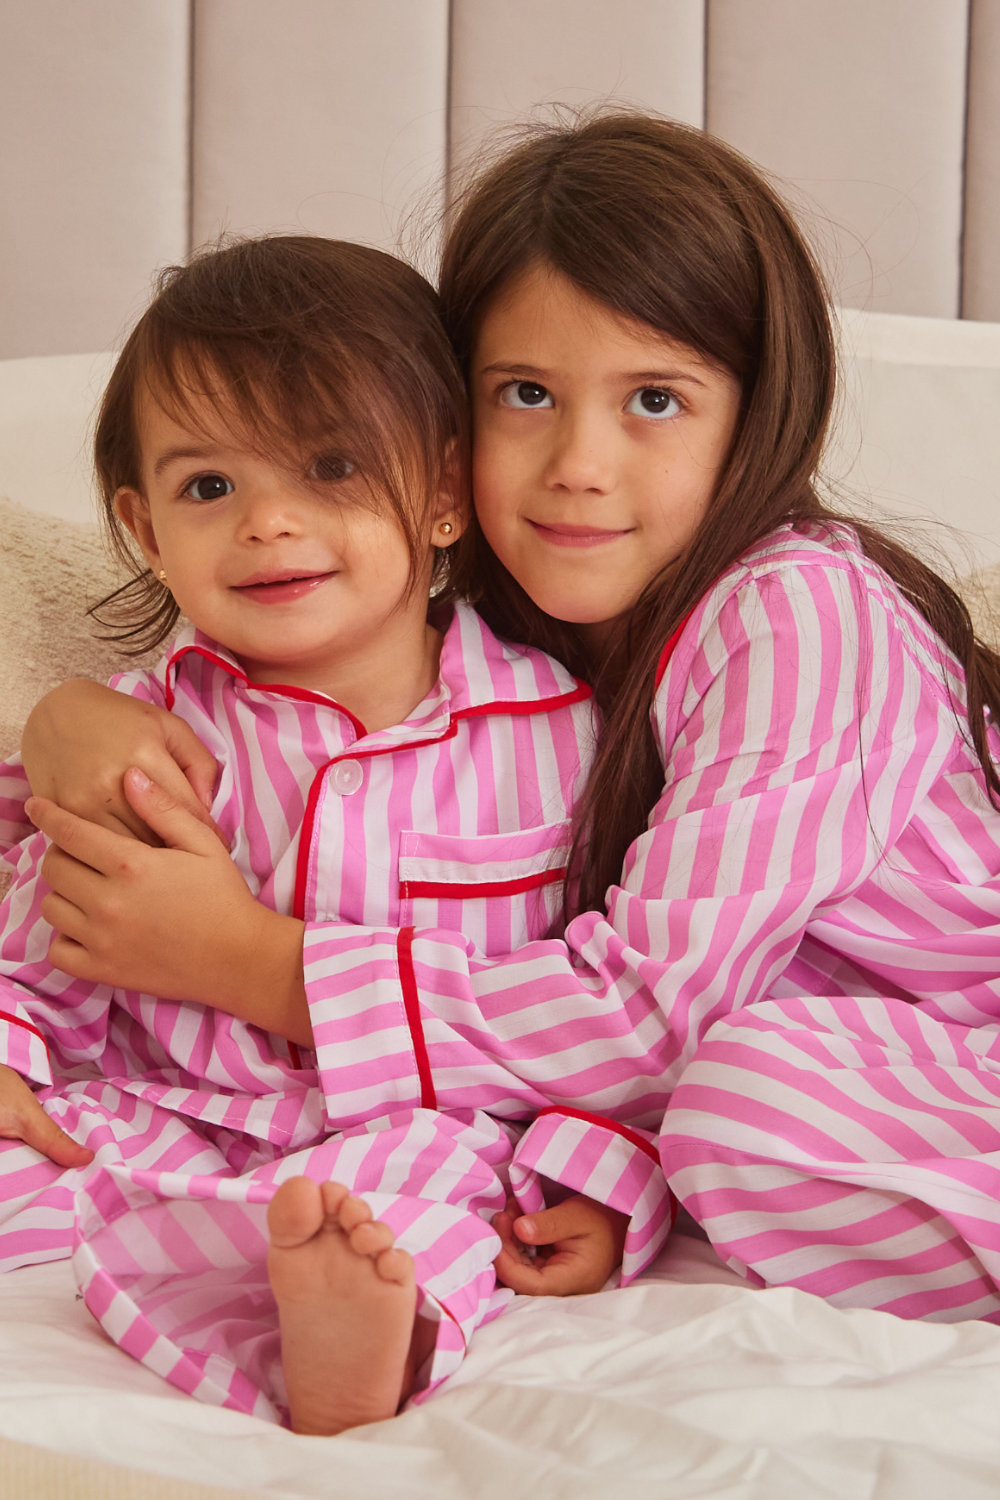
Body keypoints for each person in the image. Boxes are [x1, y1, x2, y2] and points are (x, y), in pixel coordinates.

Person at [22, 110, 1000, 1326]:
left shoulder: (798, 614)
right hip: (820, 1098)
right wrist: (66, 721)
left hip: (949, 1057)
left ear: (755, 416)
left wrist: (251, 964)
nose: (577, 463)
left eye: (655, 398)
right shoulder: (513, 620)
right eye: (525, 393)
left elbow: (644, 1018)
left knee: (745, 1092)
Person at [0, 234, 671, 1436]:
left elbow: (600, 1003)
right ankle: (231, 1259)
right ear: (143, 528)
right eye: (209, 488)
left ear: (441, 495)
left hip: (422, 1125)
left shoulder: (567, 734)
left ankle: (354, 1335)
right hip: (169, 1107)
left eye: (329, 469)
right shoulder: (146, 736)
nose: (267, 523)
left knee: (418, 1205)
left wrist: (599, 1164)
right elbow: (48, 926)